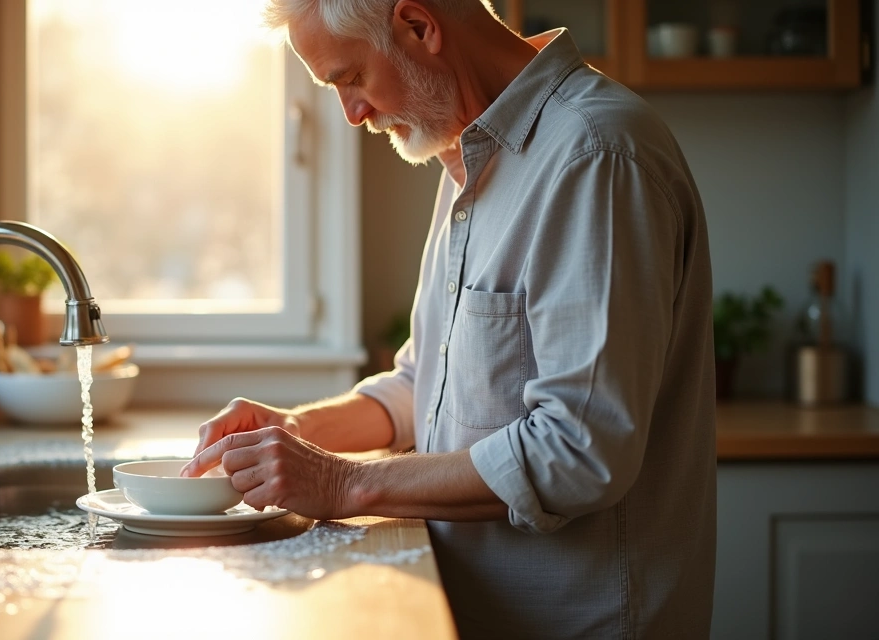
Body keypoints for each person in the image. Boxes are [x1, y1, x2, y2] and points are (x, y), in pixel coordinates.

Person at [180, 1, 716, 637]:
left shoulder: (593, 157)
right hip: (478, 609)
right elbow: (425, 386)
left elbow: (579, 451)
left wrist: (343, 483)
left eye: (351, 78)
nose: (351, 114)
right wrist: (297, 430)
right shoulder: (469, 150)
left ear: (419, 26)